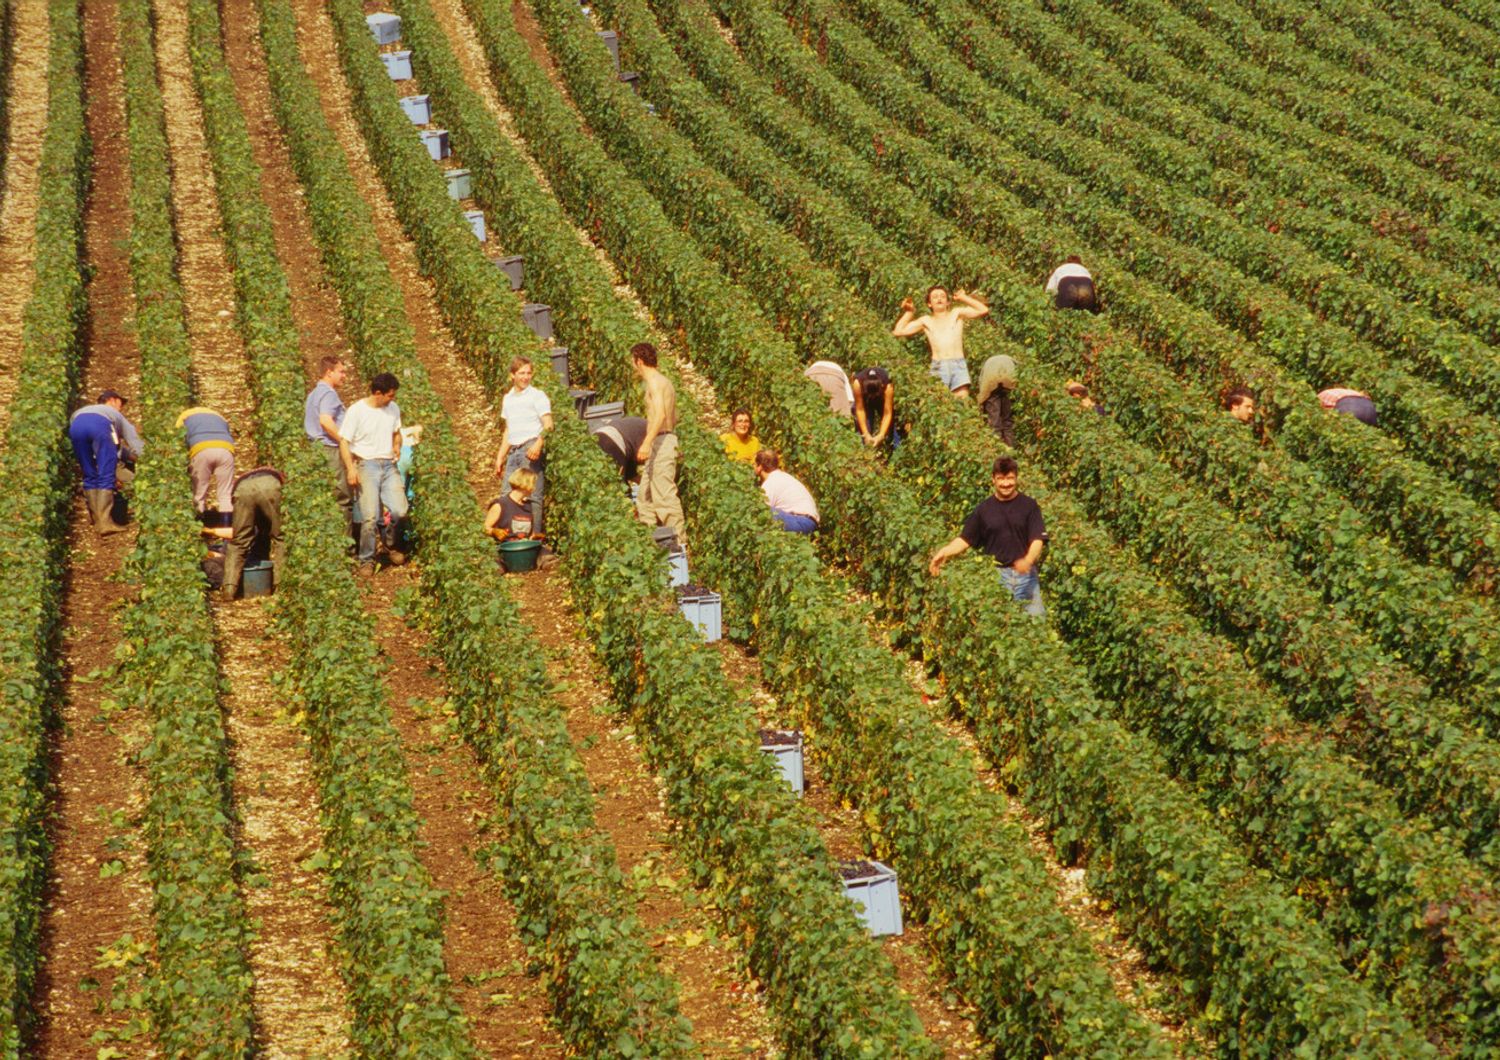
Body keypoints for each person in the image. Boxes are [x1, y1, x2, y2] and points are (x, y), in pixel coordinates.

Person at [928, 456, 1046, 617]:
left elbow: (1037, 539)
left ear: (1017, 478)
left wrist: (1028, 560)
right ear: (993, 479)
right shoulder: (984, 510)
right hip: (997, 578)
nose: (1006, 484)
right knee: (999, 628)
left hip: (1027, 578)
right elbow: (965, 539)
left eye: (1010, 478)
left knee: (1035, 630)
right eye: (1001, 479)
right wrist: (944, 551)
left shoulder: (1029, 506)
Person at [339, 373, 407, 576]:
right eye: (390, 395)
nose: (392, 399)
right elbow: (344, 441)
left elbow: (397, 432)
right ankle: (366, 559)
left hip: (388, 465)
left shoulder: (393, 409)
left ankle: (389, 545)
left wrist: (396, 445)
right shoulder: (357, 411)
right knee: (369, 517)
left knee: (399, 511)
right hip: (366, 465)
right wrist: (351, 468)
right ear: (378, 393)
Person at [68, 389, 145, 535]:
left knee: (89, 474)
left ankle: (97, 521)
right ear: (112, 400)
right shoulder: (114, 414)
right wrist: (146, 459)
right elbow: (134, 441)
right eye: (121, 404)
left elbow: (113, 446)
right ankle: (105, 523)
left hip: (76, 427)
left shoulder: (83, 411)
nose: (121, 408)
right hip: (100, 426)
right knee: (106, 474)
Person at [493, 355, 553, 535]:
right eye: (521, 373)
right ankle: (508, 536)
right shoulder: (508, 399)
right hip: (514, 451)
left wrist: (539, 443)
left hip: (530, 448)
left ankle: (534, 537)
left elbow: (548, 424)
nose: (526, 377)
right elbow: (508, 431)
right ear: (512, 375)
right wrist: (500, 457)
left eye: (528, 373)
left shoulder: (537, 396)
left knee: (532, 494)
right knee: (506, 494)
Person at [892, 286, 988, 397]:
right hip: (939, 366)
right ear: (929, 304)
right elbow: (898, 331)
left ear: (948, 302)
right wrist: (910, 312)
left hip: (958, 364)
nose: (939, 299)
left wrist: (963, 297)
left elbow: (983, 310)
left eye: (943, 296)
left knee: (962, 403)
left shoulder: (956, 314)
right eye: (935, 297)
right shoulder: (926, 320)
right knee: (939, 402)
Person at [632, 343, 684, 538]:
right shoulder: (664, 382)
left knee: (664, 498)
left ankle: (679, 546)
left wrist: (647, 442)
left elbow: (661, 415)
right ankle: (652, 543)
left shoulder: (655, 382)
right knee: (644, 497)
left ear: (639, 361)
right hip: (661, 442)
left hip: (661, 442)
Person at [217, 467, 284, 600]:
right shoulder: (283, 479)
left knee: (238, 542)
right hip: (271, 486)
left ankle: (229, 589)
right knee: (280, 538)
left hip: (242, 488)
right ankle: (281, 586)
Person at [305, 357, 353, 528]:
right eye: (341, 372)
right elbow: (325, 420)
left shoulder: (313, 394)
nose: (344, 376)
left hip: (316, 448)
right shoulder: (328, 393)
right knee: (342, 498)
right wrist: (343, 440)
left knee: (323, 498)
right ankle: (345, 548)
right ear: (329, 372)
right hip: (330, 450)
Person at [175, 406, 236, 524]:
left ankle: (200, 528)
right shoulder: (219, 416)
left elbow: (177, 442)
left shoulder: (183, 417)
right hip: (226, 449)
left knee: (199, 494)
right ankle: (226, 530)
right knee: (225, 494)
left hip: (201, 449)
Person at [754, 449, 819, 533]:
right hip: (807, 521)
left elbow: (762, 510)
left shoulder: (771, 483)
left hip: (801, 522)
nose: (753, 467)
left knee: (760, 511)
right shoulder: (782, 476)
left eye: (754, 464)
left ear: (760, 467)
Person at [484, 466, 540, 541]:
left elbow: (527, 535)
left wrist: (534, 537)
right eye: (533, 483)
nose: (534, 488)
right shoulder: (500, 504)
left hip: (523, 547)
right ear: (526, 484)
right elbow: (484, 528)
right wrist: (494, 531)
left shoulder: (528, 505)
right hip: (506, 548)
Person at [976, 355, 1017, 446]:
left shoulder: (989, 362)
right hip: (1008, 377)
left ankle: (997, 450)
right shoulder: (1011, 361)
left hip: (990, 379)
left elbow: (982, 385)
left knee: (994, 422)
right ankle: (1010, 451)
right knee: (1008, 421)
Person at [852, 366, 897, 448]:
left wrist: (881, 435)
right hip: (865, 402)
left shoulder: (888, 385)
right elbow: (860, 409)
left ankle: (892, 450)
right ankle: (862, 452)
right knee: (862, 432)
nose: (872, 397)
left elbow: (888, 413)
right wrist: (866, 434)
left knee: (891, 429)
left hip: (882, 400)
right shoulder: (857, 383)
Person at [596, 415, 648, 481]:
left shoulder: (633, 442)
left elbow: (631, 474)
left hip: (596, 436)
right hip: (613, 441)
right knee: (617, 484)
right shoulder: (656, 435)